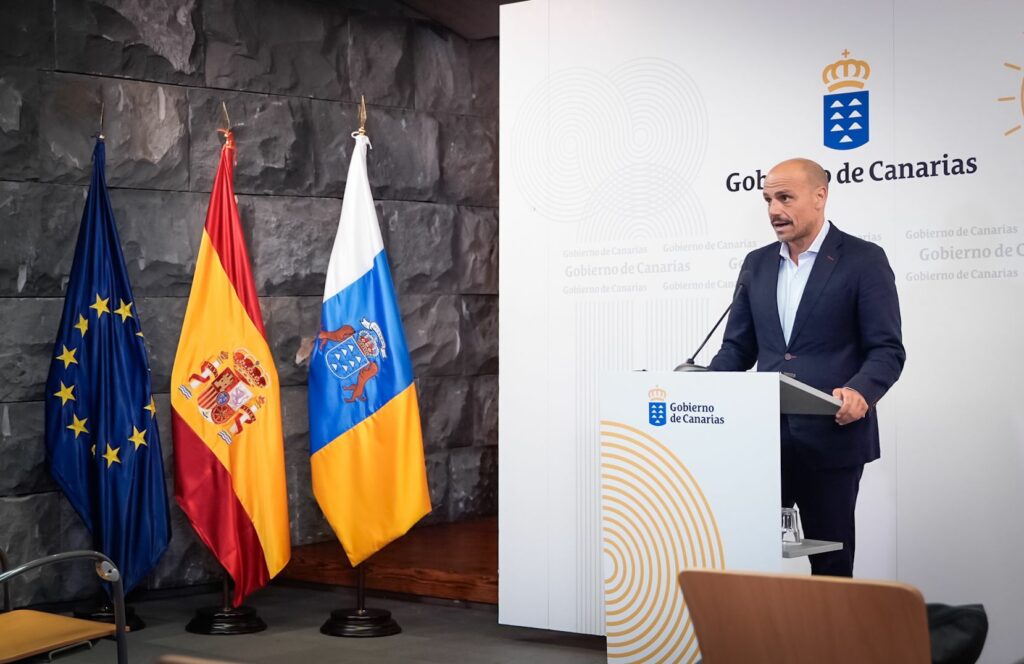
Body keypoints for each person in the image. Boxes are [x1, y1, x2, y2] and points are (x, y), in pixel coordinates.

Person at [708, 158, 905, 577]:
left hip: (831, 437)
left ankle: (832, 626)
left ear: (820, 196)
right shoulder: (757, 263)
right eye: (768, 200)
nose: (774, 210)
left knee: (831, 563)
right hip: (761, 441)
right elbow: (737, 349)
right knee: (748, 559)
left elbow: (886, 349)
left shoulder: (863, 260)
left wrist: (861, 391)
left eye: (785, 198)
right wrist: (701, 388)